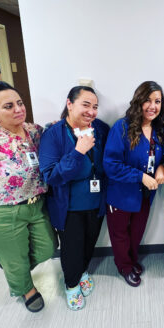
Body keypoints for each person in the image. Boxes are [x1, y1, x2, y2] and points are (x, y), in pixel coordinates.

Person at [0, 80, 57, 313]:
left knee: (48, 248)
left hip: (36, 205)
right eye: (8, 106)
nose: (18, 109)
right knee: (16, 261)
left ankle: (11, 266)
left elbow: (53, 137)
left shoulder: (34, 131)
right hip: (0, 213)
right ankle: (26, 290)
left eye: (19, 103)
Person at [39, 86, 109, 310]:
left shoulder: (100, 129)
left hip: (96, 200)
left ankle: (83, 271)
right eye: (85, 105)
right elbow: (51, 176)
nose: (91, 111)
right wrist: (78, 151)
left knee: (90, 241)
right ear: (69, 104)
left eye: (95, 107)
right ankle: (71, 285)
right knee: (72, 248)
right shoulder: (54, 134)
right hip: (68, 206)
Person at [103, 81, 164, 287]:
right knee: (120, 234)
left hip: (146, 194)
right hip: (122, 193)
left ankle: (131, 260)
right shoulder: (122, 127)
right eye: (147, 100)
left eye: (157, 101)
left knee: (137, 231)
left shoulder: (159, 129)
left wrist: (162, 167)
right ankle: (124, 266)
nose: (152, 106)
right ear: (138, 101)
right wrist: (140, 176)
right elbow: (111, 165)